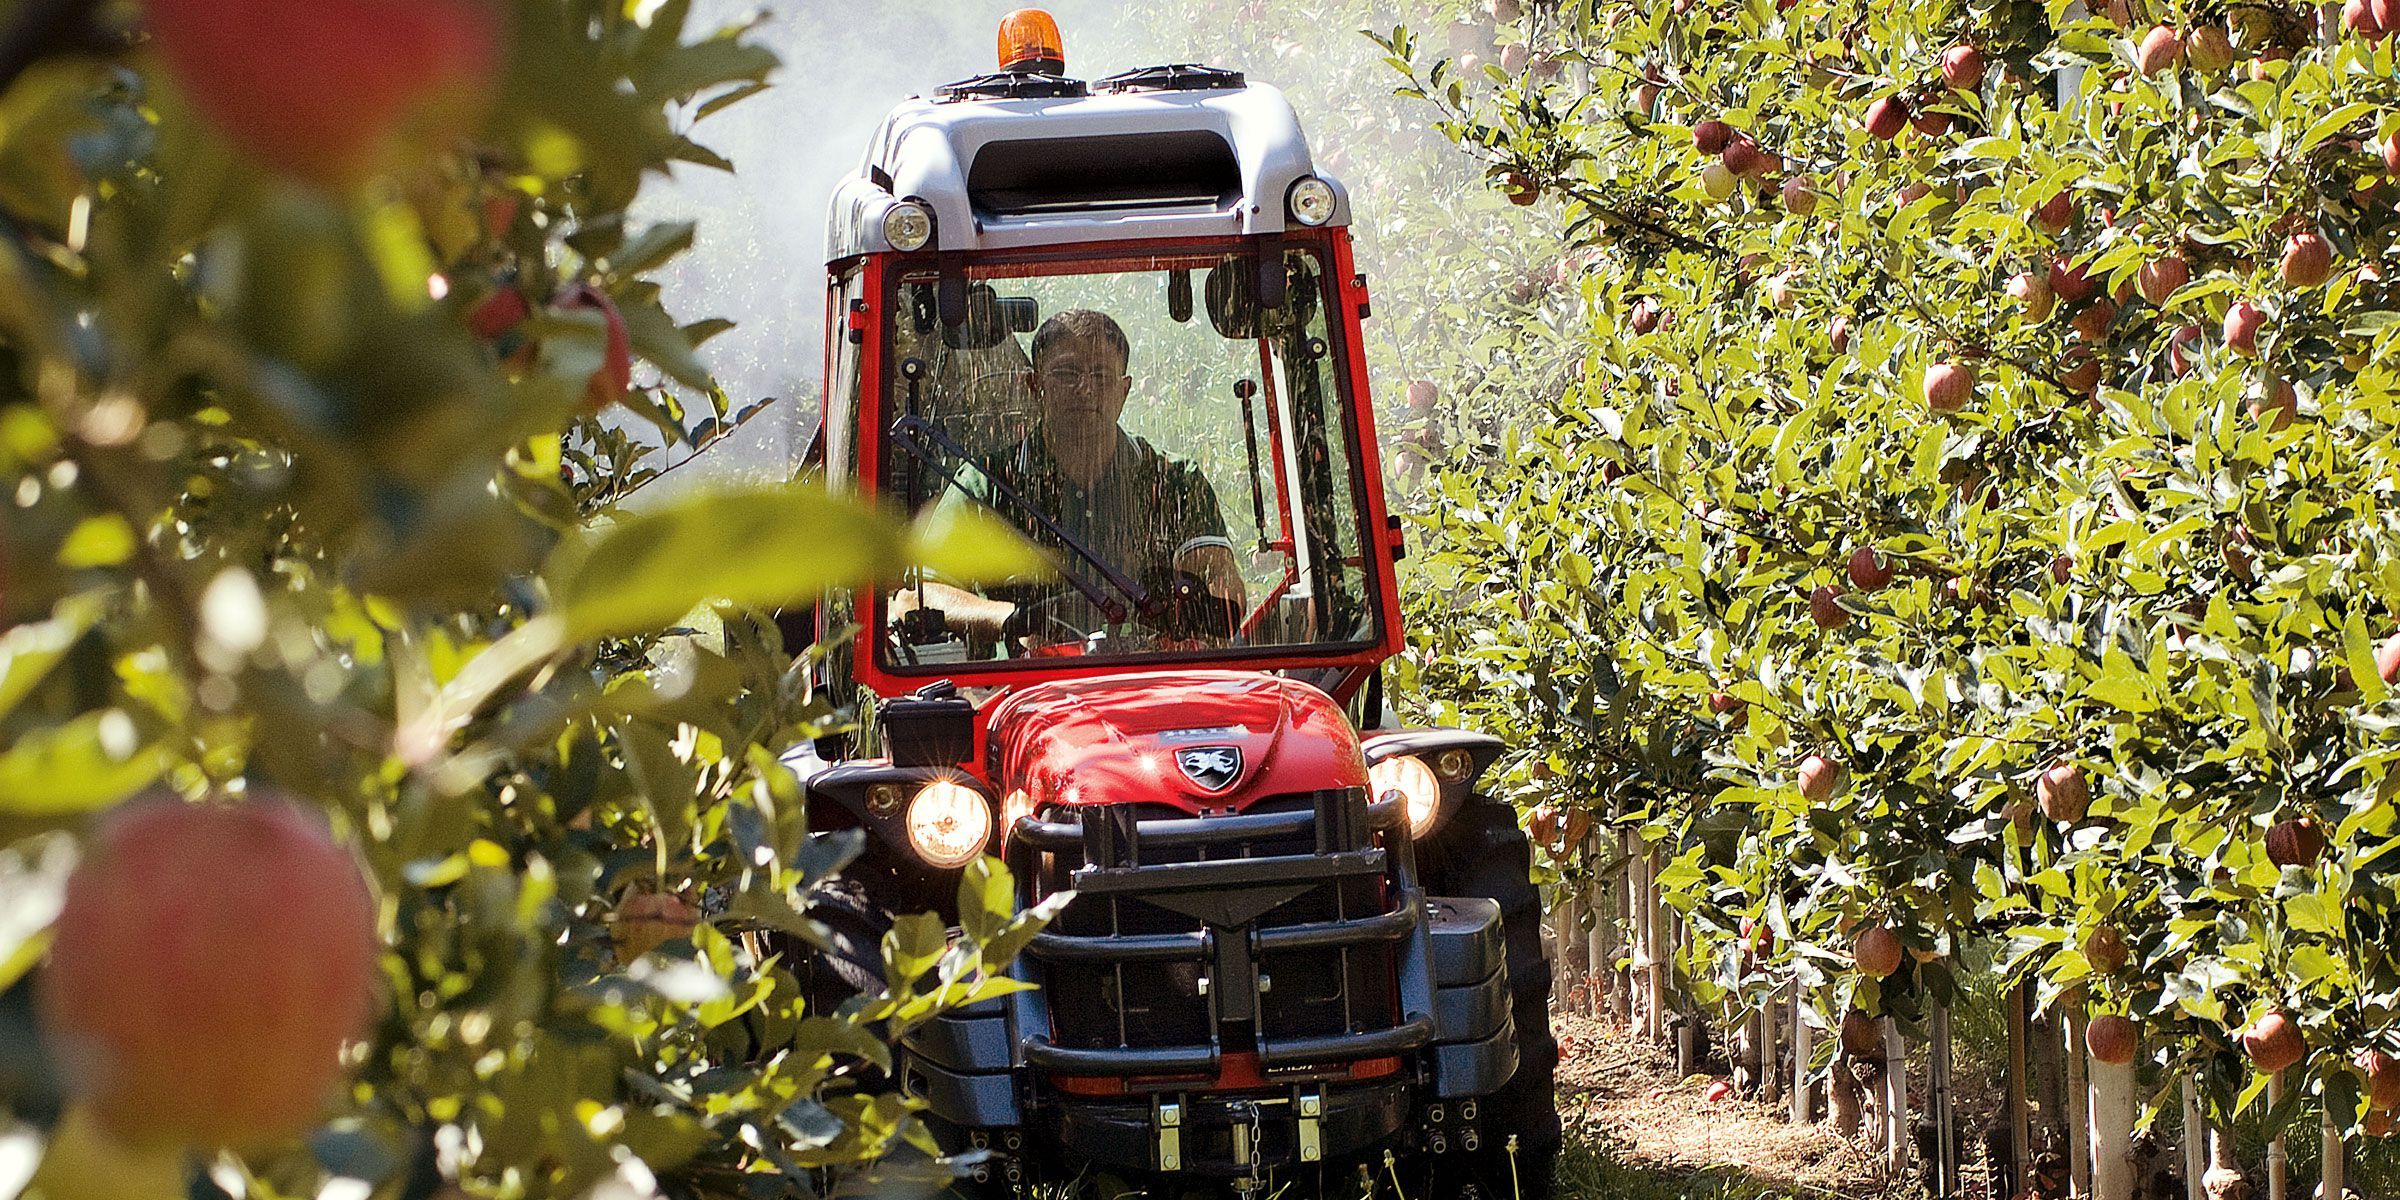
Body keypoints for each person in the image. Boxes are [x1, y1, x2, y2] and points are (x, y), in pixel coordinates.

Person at [895, 309, 1244, 651]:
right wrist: (1012, 620)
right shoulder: (985, 485)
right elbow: (918, 597)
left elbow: (1221, 588)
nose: (1085, 389)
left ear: (1124, 391)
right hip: (1022, 691)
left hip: (1152, 689)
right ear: (1034, 385)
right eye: (1066, 373)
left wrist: (1192, 604)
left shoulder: (1175, 483)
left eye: (1101, 376)